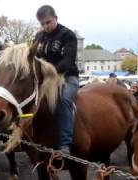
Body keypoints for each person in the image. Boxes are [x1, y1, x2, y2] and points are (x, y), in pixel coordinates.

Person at [34, 5, 79, 154]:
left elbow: (68, 61)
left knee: (64, 99)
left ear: (56, 18)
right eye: (42, 24)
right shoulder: (39, 37)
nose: (45, 26)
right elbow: (34, 57)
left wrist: (49, 71)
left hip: (67, 77)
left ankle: (65, 143)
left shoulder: (68, 35)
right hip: (44, 79)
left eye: (48, 22)